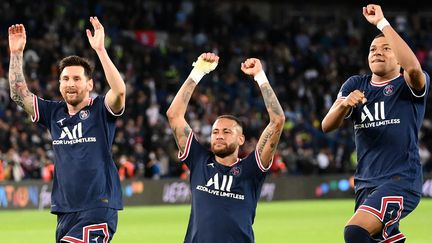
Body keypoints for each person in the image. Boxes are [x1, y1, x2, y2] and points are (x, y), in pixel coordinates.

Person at [8, 17, 126, 242]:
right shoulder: (53, 113)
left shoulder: (101, 109)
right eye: (65, 79)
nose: (70, 83)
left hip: (97, 208)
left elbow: (119, 92)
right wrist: (16, 53)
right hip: (65, 211)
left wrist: (100, 50)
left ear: (89, 84)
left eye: (76, 79)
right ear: (59, 84)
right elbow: (17, 93)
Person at [322, 4, 430, 243]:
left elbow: (413, 67)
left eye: (386, 48)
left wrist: (382, 23)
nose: (377, 52)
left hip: (401, 179)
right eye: (372, 49)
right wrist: (344, 105)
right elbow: (327, 125)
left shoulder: (407, 84)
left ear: (399, 58)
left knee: (355, 231)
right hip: (365, 183)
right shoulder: (355, 84)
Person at [166, 52, 285, 243]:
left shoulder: (251, 168)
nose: (219, 135)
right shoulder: (199, 160)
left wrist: (260, 76)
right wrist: (198, 72)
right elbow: (174, 115)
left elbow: (277, 120)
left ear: (241, 139)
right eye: (215, 132)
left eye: (227, 132)